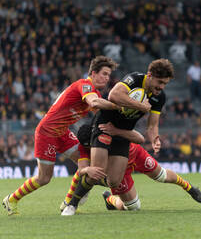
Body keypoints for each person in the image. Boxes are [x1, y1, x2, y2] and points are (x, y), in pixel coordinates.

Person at [2, 56, 119, 215]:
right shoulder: (85, 85)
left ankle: (68, 203)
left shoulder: (94, 91)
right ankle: (11, 199)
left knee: (85, 162)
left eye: (109, 75)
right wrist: (119, 105)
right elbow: (94, 103)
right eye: (104, 74)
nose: (107, 78)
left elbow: (101, 112)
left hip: (62, 132)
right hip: (47, 132)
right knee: (44, 178)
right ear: (93, 73)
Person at [62, 59, 175, 215]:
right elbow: (114, 95)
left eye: (165, 84)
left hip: (123, 133)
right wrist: (141, 106)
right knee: (97, 170)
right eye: (160, 82)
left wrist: (155, 139)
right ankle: (71, 205)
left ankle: (99, 190)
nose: (161, 87)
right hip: (105, 125)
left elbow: (152, 125)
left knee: (113, 181)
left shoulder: (159, 97)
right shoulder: (134, 79)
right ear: (150, 75)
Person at [61, 122, 201, 214]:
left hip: (136, 153)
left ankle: (189, 188)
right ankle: (110, 199)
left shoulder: (106, 129)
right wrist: (87, 170)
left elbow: (137, 136)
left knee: (162, 175)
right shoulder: (85, 147)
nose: (92, 148)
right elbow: (81, 169)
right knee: (133, 207)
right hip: (119, 172)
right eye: (89, 146)